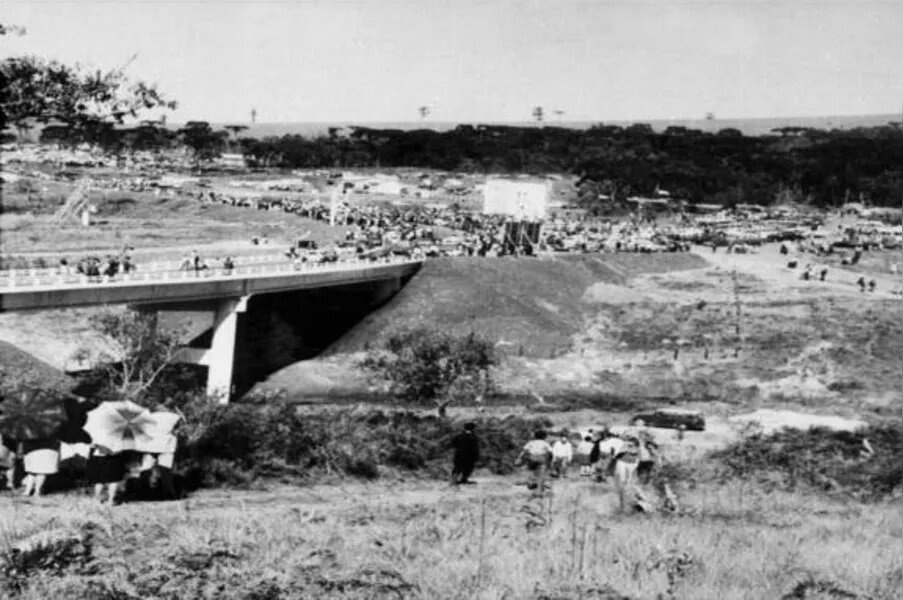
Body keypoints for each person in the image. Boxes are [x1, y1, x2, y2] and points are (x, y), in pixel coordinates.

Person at [516, 430, 553, 496]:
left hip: (532, 459)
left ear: (535, 436)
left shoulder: (531, 443)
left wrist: (519, 458)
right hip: (541, 459)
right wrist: (550, 461)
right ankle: (539, 492)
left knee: (529, 471)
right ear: (544, 437)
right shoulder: (545, 443)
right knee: (540, 476)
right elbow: (551, 452)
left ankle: (530, 482)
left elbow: (524, 451)